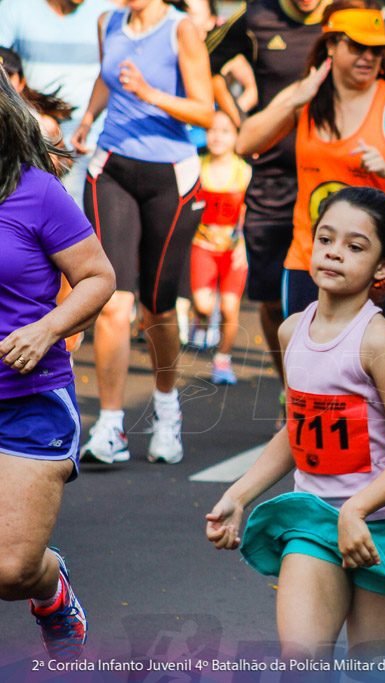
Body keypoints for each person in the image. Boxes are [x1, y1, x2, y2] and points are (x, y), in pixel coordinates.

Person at [204, 186, 385, 661]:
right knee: (300, 661)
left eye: (355, 246)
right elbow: (296, 428)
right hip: (315, 521)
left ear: (383, 267)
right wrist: (238, 495)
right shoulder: (290, 329)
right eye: (326, 239)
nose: (335, 252)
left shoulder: (377, 340)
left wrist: (357, 510)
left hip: (384, 528)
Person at [0, 69, 115, 661]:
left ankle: (50, 587)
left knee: (11, 569)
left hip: (26, 398)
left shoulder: (34, 191)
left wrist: (46, 329)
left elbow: (99, 277)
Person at [70, 0, 214, 465]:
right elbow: (106, 76)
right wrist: (90, 117)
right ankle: (110, 427)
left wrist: (150, 93)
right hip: (111, 166)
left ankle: (167, 409)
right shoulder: (107, 21)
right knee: (113, 300)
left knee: (157, 310)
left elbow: (206, 112)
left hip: (169, 175)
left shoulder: (183, 31)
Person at [236, 6, 385, 319]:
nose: (368, 57)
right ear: (331, 45)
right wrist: (293, 100)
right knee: (304, 362)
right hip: (310, 260)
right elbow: (245, 144)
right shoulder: (305, 96)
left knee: (370, 364)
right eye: (358, 47)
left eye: (377, 49)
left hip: (373, 269)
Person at [205, 0, 332, 404]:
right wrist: (240, 122)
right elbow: (206, 64)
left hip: (330, 176)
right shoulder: (256, 16)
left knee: (329, 290)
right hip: (272, 175)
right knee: (271, 298)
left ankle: (331, 389)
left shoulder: (342, 15)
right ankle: (290, 388)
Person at [0, 0, 114, 207]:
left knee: (77, 220)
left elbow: (113, 74)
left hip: (91, 142)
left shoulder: (107, 13)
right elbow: (3, 65)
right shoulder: (15, 7)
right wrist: (37, 120)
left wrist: (87, 124)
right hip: (32, 137)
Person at [190, 110, 252, 385]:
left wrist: (246, 244)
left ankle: (223, 360)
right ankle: (203, 317)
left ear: (237, 136)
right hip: (201, 246)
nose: (217, 136)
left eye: (225, 131)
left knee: (230, 307)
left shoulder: (244, 172)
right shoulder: (196, 167)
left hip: (233, 251)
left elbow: (251, 213)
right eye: (212, 129)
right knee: (204, 304)